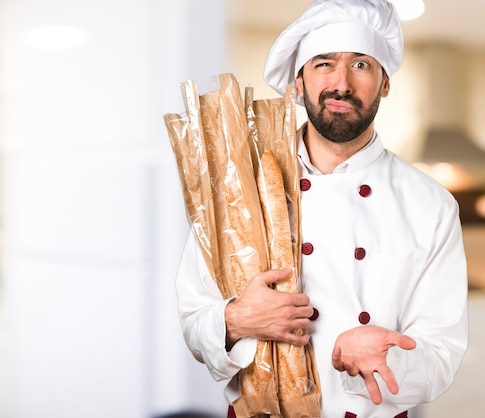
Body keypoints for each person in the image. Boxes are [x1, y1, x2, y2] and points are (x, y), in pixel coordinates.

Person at [175, 0, 468, 416]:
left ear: (385, 83)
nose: (342, 84)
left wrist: (388, 356)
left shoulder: (431, 205)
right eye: (324, 64)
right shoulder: (239, 186)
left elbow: (441, 352)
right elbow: (193, 320)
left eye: (362, 65)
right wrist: (236, 320)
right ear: (298, 83)